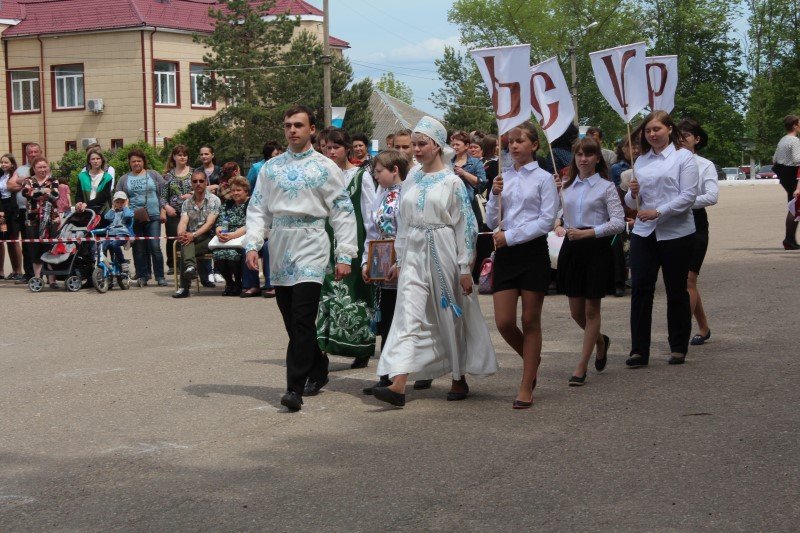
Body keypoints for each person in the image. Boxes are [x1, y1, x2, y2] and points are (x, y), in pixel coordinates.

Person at [372, 116, 498, 409]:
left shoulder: (453, 182)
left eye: (422, 143)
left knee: (449, 313)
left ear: (437, 146)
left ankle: (458, 375)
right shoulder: (412, 178)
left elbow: (464, 226)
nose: (416, 149)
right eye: (413, 144)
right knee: (407, 313)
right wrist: (400, 259)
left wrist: (465, 268)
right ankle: (398, 383)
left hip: (443, 250)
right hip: (414, 250)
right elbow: (403, 222)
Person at [243, 104, 357, 412]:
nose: (292, 130)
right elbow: (257, 209)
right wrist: (253, 244)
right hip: (280, 245)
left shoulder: (325, 167)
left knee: (303, 317)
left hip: (312, 243)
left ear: (311, 130)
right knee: (292, 321)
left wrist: (344, 253)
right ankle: (319, 367)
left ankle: (294, 389)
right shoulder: (271, 168)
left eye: (298, 125)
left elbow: (343, 212)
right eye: (288, 125)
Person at [486, 122, 557, 408]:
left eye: (519, 141)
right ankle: (532, 360)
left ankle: (526, 383)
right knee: (504, 322)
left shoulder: (543, 178)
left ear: (534, 145)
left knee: (530, 321)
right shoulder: (504, 177)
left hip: (531, 252)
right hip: (505, 253)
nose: (513, 146)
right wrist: (493, 193)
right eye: (510, 142)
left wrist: (511, 236)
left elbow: (547, 220)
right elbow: (493, 220)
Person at [625, 110, 699, 367]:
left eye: (657, 129)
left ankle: (678, 346)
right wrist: (631, 192)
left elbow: (688, 196)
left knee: (675, 288)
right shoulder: (641, 161)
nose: (652, 134)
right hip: (645, 233)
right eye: (648, 131)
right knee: (641, 288)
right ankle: (638, 350)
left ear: (669, 130)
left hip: (676, 233)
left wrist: (659, 212)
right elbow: (633, 202)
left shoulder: (683, 158)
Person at [556, 137, 625, 386]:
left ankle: (581, 366)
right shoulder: (566, 185)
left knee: (591, 310)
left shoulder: (606, 187)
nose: (583, 159)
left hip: (595, 248)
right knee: (576, 312)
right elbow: (560, 213)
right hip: (572, 248)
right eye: (579, 154)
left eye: (588, 154)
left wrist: (589, 232)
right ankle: (599, 340)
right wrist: (558, 222)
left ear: (597, 158)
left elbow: (618, 222)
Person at [317, 128, 377, 368]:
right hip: (323, 242)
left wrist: (368, 248)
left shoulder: (360, 177)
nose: (331, 152)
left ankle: (360, 346)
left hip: (353, 241)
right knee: (326, 295)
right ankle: (323, 344)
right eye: (326, 147)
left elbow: (370, 215)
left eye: (336, 147)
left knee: (355, 294)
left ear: (347, 149)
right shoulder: (319, 176)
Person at [360, 150, 408, 395]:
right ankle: (385, 375)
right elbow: (372, 230)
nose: (376, 176)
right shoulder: (381, 195)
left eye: (379, 171)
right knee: (386, 320)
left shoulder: (407, 194)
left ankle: (406, 373)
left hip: (401, 264)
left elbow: (408, 232)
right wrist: (366, 262)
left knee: (403, 322)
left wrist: (400, 262)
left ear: (395, 170)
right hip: (381, 261)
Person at [678, 119, 719, 347]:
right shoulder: (669, 163)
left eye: (686, 134)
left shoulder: (705, 165)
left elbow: (712, 196)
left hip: (695, 223)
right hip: (671, 222)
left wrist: (683, 202)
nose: (681, 138)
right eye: (678, 134)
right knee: (686, 281)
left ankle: (680, 332)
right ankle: (703, 327)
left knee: (688, 279)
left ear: (697, 139)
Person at [115, 149, 167, 287]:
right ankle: (143, 275)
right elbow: (118, 197)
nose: (136, 163)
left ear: (143, 161)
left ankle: (160, 276)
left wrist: (163, 211)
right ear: (129, 163)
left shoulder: (153, 175)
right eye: (133, 161)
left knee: (154, 246)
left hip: (154, 215)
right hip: (133, 218)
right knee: (138, 248)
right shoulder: (124, 179)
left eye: (139, 160)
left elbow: (164, 193)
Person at [172, 169, 220, 298]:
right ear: (191, 184)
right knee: (184, 241)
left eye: (201, 181)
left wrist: (192, 235)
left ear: (206, 182)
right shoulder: (187, 203)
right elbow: (183, 221)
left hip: (210, 237)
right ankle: (191, 268)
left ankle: (184, 287)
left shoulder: (214, 200)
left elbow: (209, 223)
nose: (198, 183)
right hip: (193, 238)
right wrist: (181, 234)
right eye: (195, 181)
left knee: (186, 247)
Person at [21, 157, 60, 285]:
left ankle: (52, 278)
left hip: (51, 218)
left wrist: (37, 192)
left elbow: (55, 195)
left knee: (50, 246)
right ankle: (38, 277)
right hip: (32, 219)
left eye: (45, 167)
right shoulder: (28, 180)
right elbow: (26, 192)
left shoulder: (53, 180)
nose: (43, 169)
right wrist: (44, 191)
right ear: (34, 169)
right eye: (39, 167)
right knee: (34, 247)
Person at [8, 143, 43, 282]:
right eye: (30, 152)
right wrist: (25, 182)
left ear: (40, 152)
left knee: (41, 243)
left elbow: (41, 185)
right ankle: (28, 274)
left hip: (40, 211)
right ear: (27, 154)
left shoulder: (44, 166)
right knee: (26, 244)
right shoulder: (21, 169)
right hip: (23, 211)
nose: (33, 154)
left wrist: (24, 182)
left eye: (35, 152)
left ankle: (43, 273)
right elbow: (10, 185)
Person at [213, 176, 250, 296]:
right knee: (218, 254)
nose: (235, 193)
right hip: (226, 235)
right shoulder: (228, 204)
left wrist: (233, 235)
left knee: (232, 254)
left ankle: (239, 283)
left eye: (238, 190)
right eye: (233, 190)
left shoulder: (250, 204)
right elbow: (220, 221)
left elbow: (249, 224)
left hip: (242, 235)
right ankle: (230, 283)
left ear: (246, 190)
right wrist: (219, 231)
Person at [160, 145, 193, 276]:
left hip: (191, 212)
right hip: (174, 213)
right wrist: (167, 207)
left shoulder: (194, 173)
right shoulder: (168, 176)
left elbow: (201, 189)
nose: (182, 157)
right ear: (174, 157)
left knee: (188, 239)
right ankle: (173, 265)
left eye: (184, 154)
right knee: (173, 239)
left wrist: (191, 194)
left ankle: (188, 264)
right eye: (179, 155)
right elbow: (162, 197)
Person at [772, 115, 800, 249]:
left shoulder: (782, 140)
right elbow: (797, 159)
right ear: (794, 125)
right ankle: (789, 240)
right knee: (795, 206)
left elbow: (774, 159)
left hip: (784, 174)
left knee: (793, 205)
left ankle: (790, 240)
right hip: (793, 173)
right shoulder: (794, 140)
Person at [0, 153, 24, 280]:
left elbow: (19, 190)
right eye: (2, 162)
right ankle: (4, 271)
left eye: (6, 162)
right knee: (5, 241)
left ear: (12, 164)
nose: (3, 165)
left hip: (14, 209)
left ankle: (19, 271)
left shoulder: (16, 176)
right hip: (2, 209)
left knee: (14, 240)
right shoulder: (0, 175)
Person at [74, 150, 114, 218]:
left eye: (98, 158)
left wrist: (86, 204)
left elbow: (103, 198)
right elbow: (78, 194)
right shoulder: (82, 176)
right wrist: (79, 203)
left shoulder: (107, 177)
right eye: (93, 159)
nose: (95, 161)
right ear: (89, 161)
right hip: (86, 212)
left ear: (102, 160)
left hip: (102, 213)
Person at [450, 130, 487, 199]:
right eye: (453, 145)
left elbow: (482, 183)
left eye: (457, 145)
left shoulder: (476, 162)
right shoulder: (448, 162)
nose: (454, 147)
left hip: (469, 203)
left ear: (466, 146)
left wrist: (464, 173)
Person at [103, 191, 134, 272]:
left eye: (122, 202)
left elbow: (127, 216)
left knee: (114, 244)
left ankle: (122, 261)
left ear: (126, 202)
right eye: (117, 202)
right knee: (102, 247)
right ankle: (104, 266)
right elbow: (107, 218)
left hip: (123, 234)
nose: (120, 204)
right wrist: (113, 208)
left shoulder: (128, 211)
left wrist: (126, 205)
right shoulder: (112, 212)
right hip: (111, 234)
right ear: (114, 202)